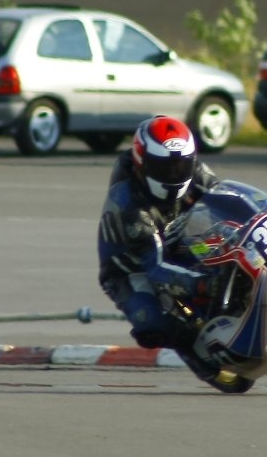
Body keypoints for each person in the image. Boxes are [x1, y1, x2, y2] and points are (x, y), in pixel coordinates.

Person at [96, 115, 234, 387]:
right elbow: (155, 266)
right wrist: (201, 284)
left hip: (176, 236)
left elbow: (226, 199)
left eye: (182, 164)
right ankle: (191, 351)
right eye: (164, 167)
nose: (175, 172)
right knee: (152, 327)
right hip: (130, 267)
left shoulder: (195, 170)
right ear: (142, 163)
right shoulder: (127, 203)